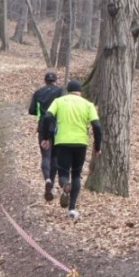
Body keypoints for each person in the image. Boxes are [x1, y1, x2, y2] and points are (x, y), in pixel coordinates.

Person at [40, 80, 101, 220]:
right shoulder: (88, 104)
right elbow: (97, 126)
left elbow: (47, 117)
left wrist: (45, 137)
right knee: (76, 174)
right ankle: (72, 209)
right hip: (80, 143)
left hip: (62, 142)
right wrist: (97, 147)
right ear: (80, 91)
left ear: (68, 91)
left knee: (63, 172)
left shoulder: (59, 101)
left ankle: (65, 186)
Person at [28, 71, 65, 201]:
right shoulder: (60, 91)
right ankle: (52, 184)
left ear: (45, 81)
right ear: (56, 80)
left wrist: (41, 112)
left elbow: (31, 110)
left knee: (45, 155)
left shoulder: (38, 92)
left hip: (43, 126)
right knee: (54, 156)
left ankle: (47, 179)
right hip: (56, 126)